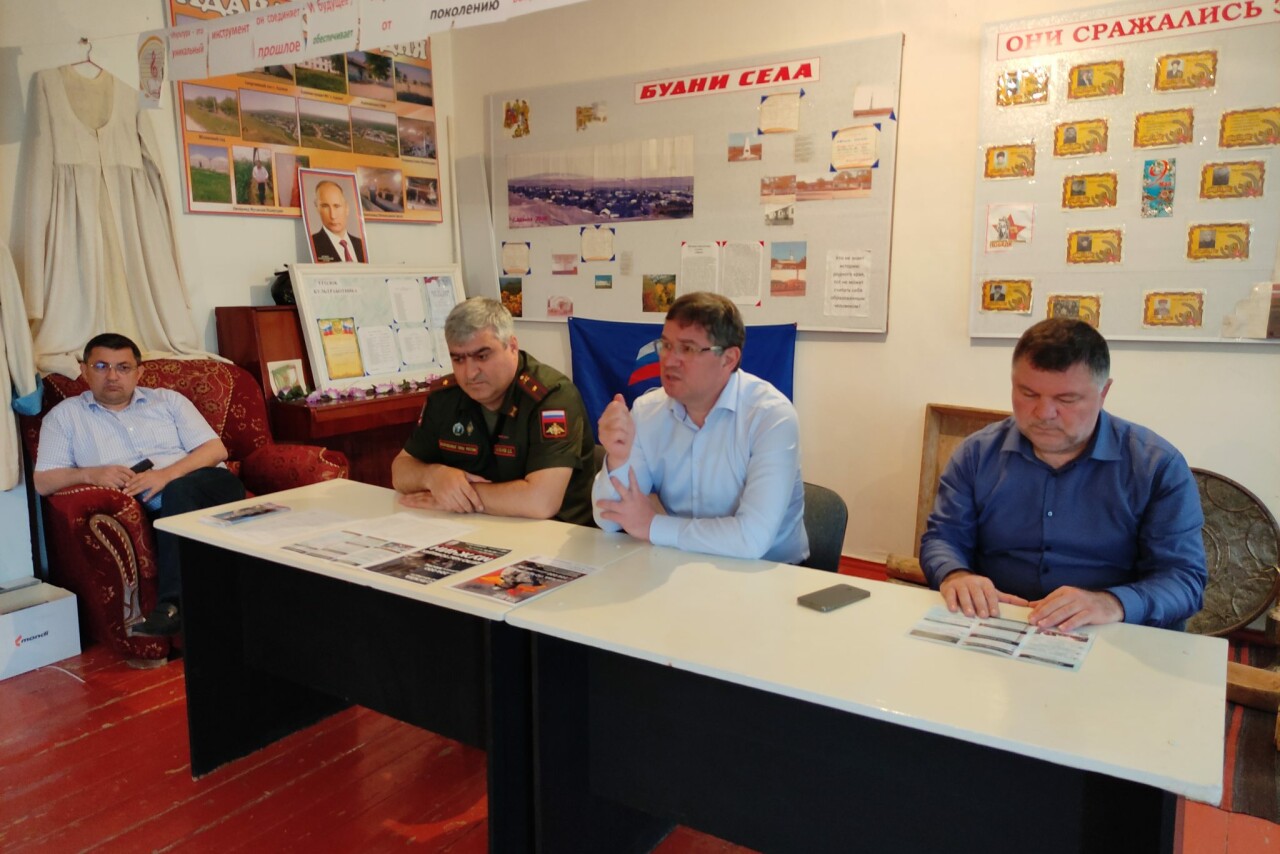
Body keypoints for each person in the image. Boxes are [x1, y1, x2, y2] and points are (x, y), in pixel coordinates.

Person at [919, 318, 1206, 631]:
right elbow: (944, 538)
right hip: (996, 621)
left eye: (1066, 399)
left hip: (1107, 630)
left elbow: (1184, 580)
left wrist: (1113, 602)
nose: (1044, 413)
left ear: (1104, 392)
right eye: (1028, 394)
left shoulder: (1156, 466)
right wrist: (956, 574)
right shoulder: (976, 454)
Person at [33, 333, 245, 637]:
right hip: (158, 508)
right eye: (101, 366)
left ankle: (173, 606)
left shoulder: (167, 401)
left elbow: (215, 450)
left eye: (123, 367)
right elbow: (43, 481)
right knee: (177, 504)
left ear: (138, 372)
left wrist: (166, 475)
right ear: (84, 370)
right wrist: (90, 474)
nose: (112, 376)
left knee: (179, 490)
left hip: (212, 486)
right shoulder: (65, 417)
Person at [593, 292, 808, 563]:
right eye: (666, 345)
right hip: (679, 562)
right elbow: (608, 520)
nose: (669, 360)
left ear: (728, 359)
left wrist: (652, 525)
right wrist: (617, 459)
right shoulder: (647, 411)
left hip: (770, 573)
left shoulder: (770, 416)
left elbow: (751, 539)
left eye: (687, 349)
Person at [392, 298, 594, 525]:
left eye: (482, 356)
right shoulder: (446, 397)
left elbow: (541, 502)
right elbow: (400, 471)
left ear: (512, 346)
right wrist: (433, 476)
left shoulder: (552, 397)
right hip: (476, 527)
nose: (470, 373)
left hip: (556, 534)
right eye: (458, 359)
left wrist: (458, 496)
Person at [310, 180, 365, 263]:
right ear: (317, 209)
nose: (333, 215)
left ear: (347, 208)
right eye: (325, 206)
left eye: (337, 206)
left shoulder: (360, 244)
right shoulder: (313, 244)